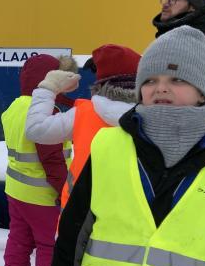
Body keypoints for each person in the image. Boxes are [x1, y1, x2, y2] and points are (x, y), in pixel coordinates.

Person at [50, 25, 205, 266]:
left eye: (177, 79)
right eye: (151, 79)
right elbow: (76, 227)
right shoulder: (109, 145)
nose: (161, 88)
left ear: (203, 92)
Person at [1, 54, 77, 266]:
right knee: (49, 246)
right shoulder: (45, 113)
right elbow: (52, 160)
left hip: (16, 191)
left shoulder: (14, 107)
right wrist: (64, 191)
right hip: (43, 196)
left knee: (19, 239)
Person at [25, 44, 141, 209]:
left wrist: (48, 88)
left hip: (79, 210)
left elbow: (36, 130)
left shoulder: (83, 113)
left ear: (100, 83)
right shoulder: (154, 116)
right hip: (132, 212)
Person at [153, 0, 205, 90]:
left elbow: (203, 92)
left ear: (193, 6)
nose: (166, 3)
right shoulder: (172, 37)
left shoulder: (201, 43)